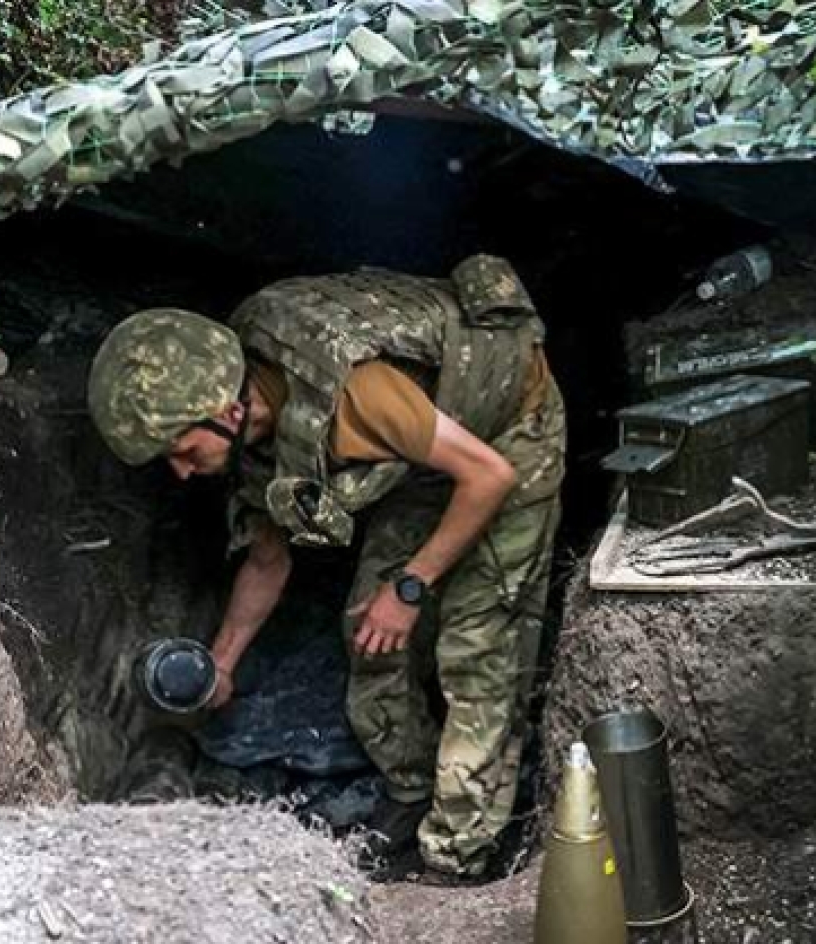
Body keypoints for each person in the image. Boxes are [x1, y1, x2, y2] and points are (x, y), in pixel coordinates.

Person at [87, 255, 565, 882]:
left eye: (181, 452)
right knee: (369, 630)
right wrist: (223, 663)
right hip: (425, 456)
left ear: (226, 413)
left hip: (505, 433)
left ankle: (460, 853)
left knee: (478, 645)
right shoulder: (246, 425)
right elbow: (267, 558)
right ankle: (413, 790)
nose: (179, 471)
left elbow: (488, 476)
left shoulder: (353, 394)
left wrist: (412, 585)